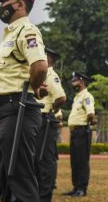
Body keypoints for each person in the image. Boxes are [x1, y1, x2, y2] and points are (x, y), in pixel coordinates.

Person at [0, 0, 48, 201]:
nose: (1, 6)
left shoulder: (27, 30)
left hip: (17, 109)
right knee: (7, 177)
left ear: (20, 4)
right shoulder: (11, 34)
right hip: (5, 111)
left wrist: (33, 87)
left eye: (5, 1)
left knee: (20, 176)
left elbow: (40, 66)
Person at [36, 47, 67, 201]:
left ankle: (45, 195)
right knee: (37, 158)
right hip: (37, 120)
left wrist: (51, 110)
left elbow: (61, 98)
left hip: (45, 120)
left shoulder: (50, 74)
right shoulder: (40, 73)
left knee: (45, 159)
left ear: (48, 59)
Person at [63, 72, 95, 197]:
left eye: (74, 81)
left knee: (82, 161)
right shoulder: (77, 97)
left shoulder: (86, 96)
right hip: (75, 131)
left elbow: (91, 113)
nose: (72, 83)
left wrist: (90, 121)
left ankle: (82, 188)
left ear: (81, 81)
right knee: (75, 161)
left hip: (82, 131)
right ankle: (75, 187)